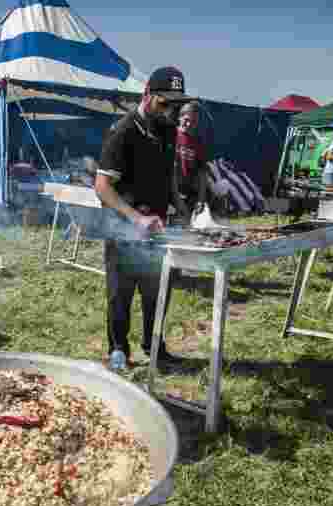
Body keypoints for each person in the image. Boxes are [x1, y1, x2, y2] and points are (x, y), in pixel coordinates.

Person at [95, 66, 192, 372]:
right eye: (166, 104)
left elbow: (168, 176)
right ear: (147, 95)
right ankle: (118, 351)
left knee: (157, 291)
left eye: (177, 105)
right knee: (120, 295)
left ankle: (154, 346)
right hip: (124, 227)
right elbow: (102, 187)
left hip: (159, 228)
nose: (172, 112)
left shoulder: (168, 130)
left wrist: (180, 204)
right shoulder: (122, 131)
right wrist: (136, 218)